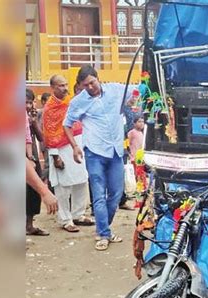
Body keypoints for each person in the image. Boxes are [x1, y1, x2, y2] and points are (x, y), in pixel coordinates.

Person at [64, 65, 132, 251]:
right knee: (99, 194)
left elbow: (136, 92)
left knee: (117, 193)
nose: (91, 87)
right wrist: (75, 147)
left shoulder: (116, 90)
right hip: (94, 153)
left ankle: (104, 228)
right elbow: (67, 125)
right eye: (86, 85)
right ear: (81, 86)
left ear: (98, 78)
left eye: (92, 83)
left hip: (116, 151)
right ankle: (103, 233)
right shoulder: (78, 102)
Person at [43, 75, 93, 233]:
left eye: (66, 85)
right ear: (52, 88)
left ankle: (78, 214)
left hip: (76, 145)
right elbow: (49, 135)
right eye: (61, 86)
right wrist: (55, 156)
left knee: (81, 181)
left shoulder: (70, 102)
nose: (65, 88)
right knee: (63, 186)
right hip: (60, 149)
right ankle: (65, 219)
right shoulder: (49, 108)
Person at [26, 89, 49, 236]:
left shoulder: (33, 117)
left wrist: (33, 123)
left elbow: (41, 138)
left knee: (34, 191)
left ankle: (29, 224)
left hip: (31, 155)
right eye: (25, 102)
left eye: (30, 102)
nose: (27, 105)